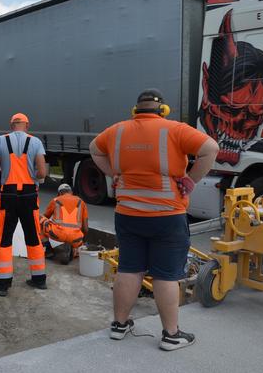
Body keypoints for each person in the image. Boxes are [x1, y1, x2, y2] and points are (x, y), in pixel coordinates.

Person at [89, 88, 219, 351]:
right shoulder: (175, 129)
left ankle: (119, 325)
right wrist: (190, 180)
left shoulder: (117, 131)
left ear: (136, 110)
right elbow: (210, 148)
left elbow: (95, 149)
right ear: (163, 110)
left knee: (128, 268)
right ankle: (171, 335)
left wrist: (113, 172)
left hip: (128, 214)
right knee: (165, 275)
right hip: (167, 216)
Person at [0, 113, 48, 297]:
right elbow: (42, 172)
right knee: (33, 236)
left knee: (5, 238)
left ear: (11, 125)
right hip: (29, 195)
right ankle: (39, 279)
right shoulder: (36, 142)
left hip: (9, 195)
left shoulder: (0, 141)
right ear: (27, 125)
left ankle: (3, 284)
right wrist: (34, 178)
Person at [40, 183, 88, 264]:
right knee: (77, 245)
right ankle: (73, 249)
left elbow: (46, 217)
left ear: (59, 193)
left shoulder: (56, 200)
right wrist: (81, 241)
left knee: (38, 218)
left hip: (57, 234)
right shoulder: (81, 202)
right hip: (76, 237)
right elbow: (85, 228)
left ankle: (48, 249)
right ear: (71, 192)